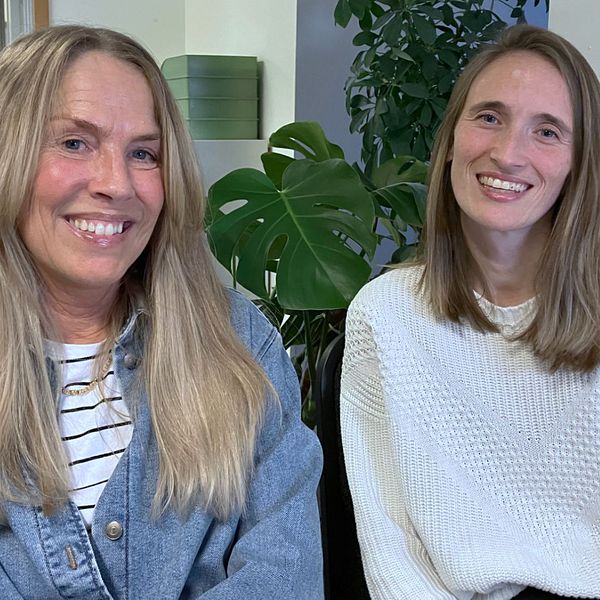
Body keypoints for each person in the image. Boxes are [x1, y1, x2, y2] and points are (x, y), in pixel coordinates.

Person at [0, 25, 323, 599]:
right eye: (74, 142)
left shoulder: (240, 342)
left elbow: (285, 572)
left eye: (143, 153)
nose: (116, 184)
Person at [341, 24, 600, 600]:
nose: (508, 153)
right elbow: (389, 549)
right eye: (488, 117)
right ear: (452, 139)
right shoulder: (383, 318)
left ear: (579, 162)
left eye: (548, 131)